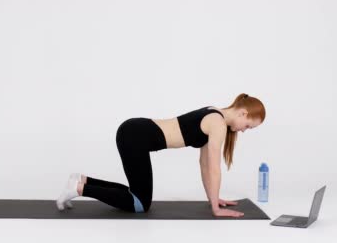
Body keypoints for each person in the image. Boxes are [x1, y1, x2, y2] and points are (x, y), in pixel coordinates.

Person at [56, 93, 266, 218]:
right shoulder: (217, 123)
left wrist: (213, 198)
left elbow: (204, 165)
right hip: (135, 136)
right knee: (140, 204)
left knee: (136, 194)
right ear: (243, 113)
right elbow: (213, 168)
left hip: (135, 132)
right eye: (248, 126)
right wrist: (215, 210)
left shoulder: (214, 113)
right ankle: (80, 188)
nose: (244, 130)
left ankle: (82, 180)